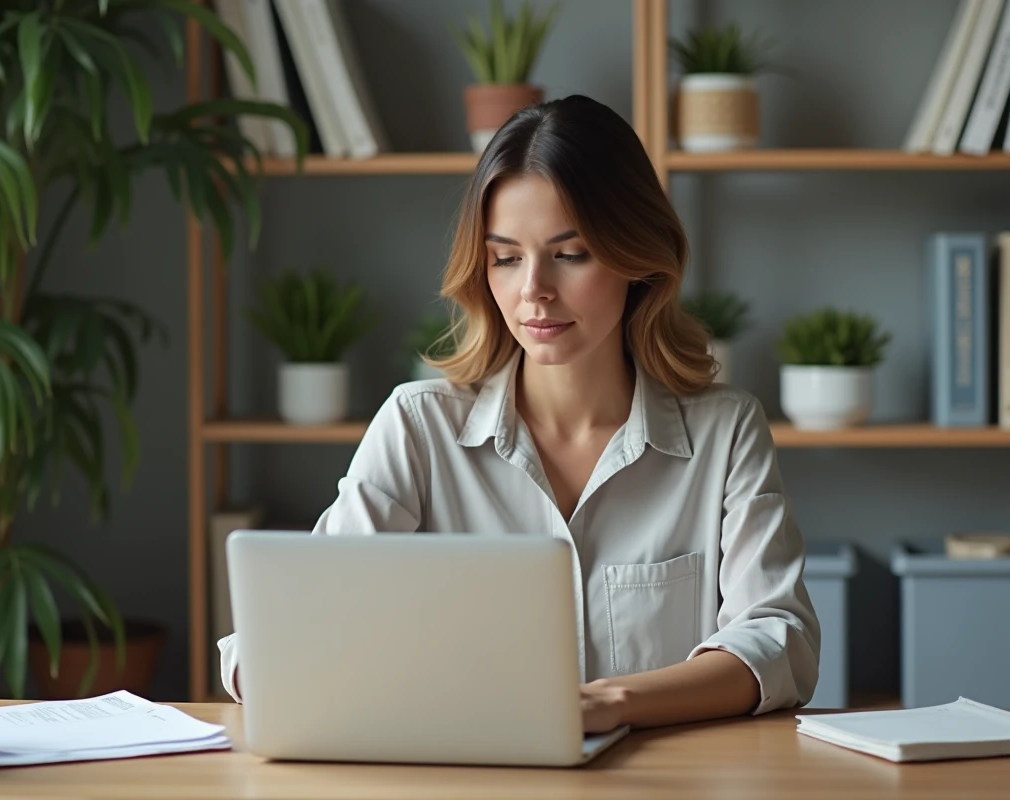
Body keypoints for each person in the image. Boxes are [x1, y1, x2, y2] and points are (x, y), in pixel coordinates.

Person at [217, 94, 820, 732]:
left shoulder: (726, 432)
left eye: (571, 253)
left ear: (636, 258)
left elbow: (781, 641)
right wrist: (276, 662)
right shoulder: (419, 429)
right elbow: (270, 644)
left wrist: (608, 704)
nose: (533, 288)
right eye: (506, 257)